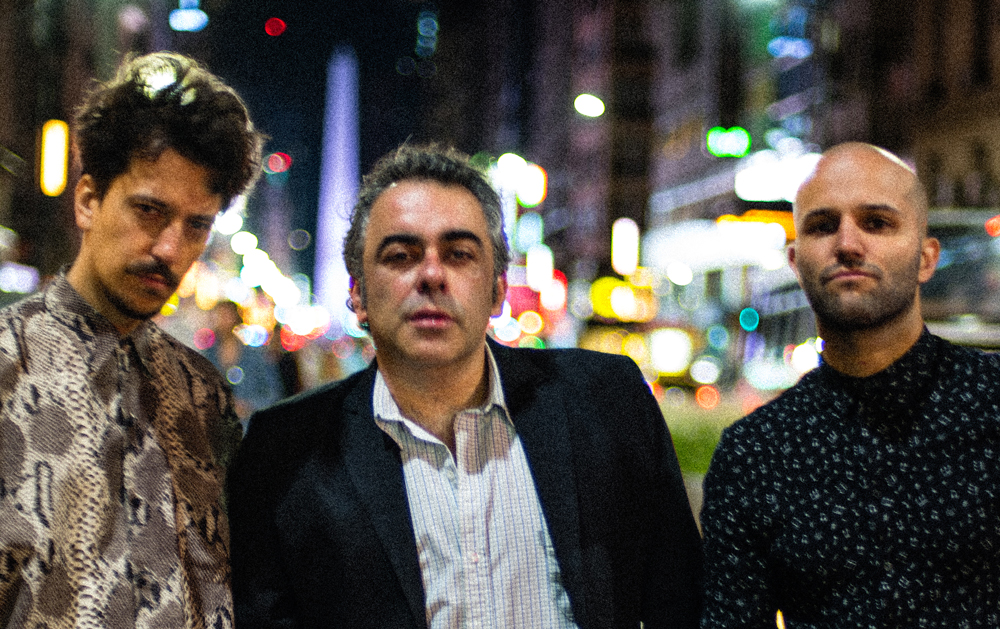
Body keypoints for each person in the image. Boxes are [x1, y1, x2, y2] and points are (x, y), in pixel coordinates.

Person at [228, 144, 703, 628]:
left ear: (497, 290)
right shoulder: (284, 451)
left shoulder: (606, 403)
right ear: (358, 294)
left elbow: (681, 600)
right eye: (401, 256)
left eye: (459, 254)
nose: (432, 275)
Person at [0, 52, 264, 626]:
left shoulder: (202, 397)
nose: (170, 248)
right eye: (149, 210)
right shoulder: (7, 365)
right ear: (88, 200)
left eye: (196, 224)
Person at [700, 142, 1000, 627]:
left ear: (927, 258)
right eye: (822, 226)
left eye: (876, 223)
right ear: (795, 262)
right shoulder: (755, 455)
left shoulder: (990, 402)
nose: (848, 244)